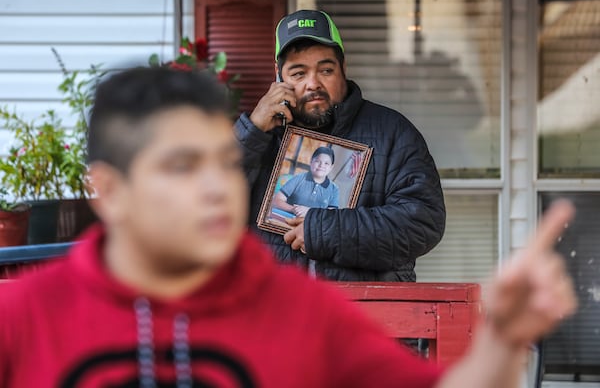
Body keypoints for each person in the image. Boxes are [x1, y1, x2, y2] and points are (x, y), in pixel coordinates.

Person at [0, 66, 579, 388]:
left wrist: (503, 340)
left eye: (222, 163)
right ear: (108, 189)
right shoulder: (19, 317)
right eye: (182, 165)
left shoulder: (306, 312)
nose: (214, 187)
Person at [235, 9, 446, 281]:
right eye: (298, 73)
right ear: (278, 77)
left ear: (343, 69)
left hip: (367, 314)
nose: (313, 84)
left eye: (325, 70)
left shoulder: (393, 132)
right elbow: (204, 209)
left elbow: (422, 223)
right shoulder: (259, 136)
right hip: (274, 313)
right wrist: (251, 132)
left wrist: (323, 231)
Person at [272, 146, 339, 219]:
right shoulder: (298, 178)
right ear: (311, 162)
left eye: (326, 163)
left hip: (313, 226)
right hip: (290, 219)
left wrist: (309, 212)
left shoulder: (334, 189)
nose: (321, 165)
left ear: (331, 167)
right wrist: (294, 209)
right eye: (317, 161)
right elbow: (276, 200)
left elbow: (332, 215)